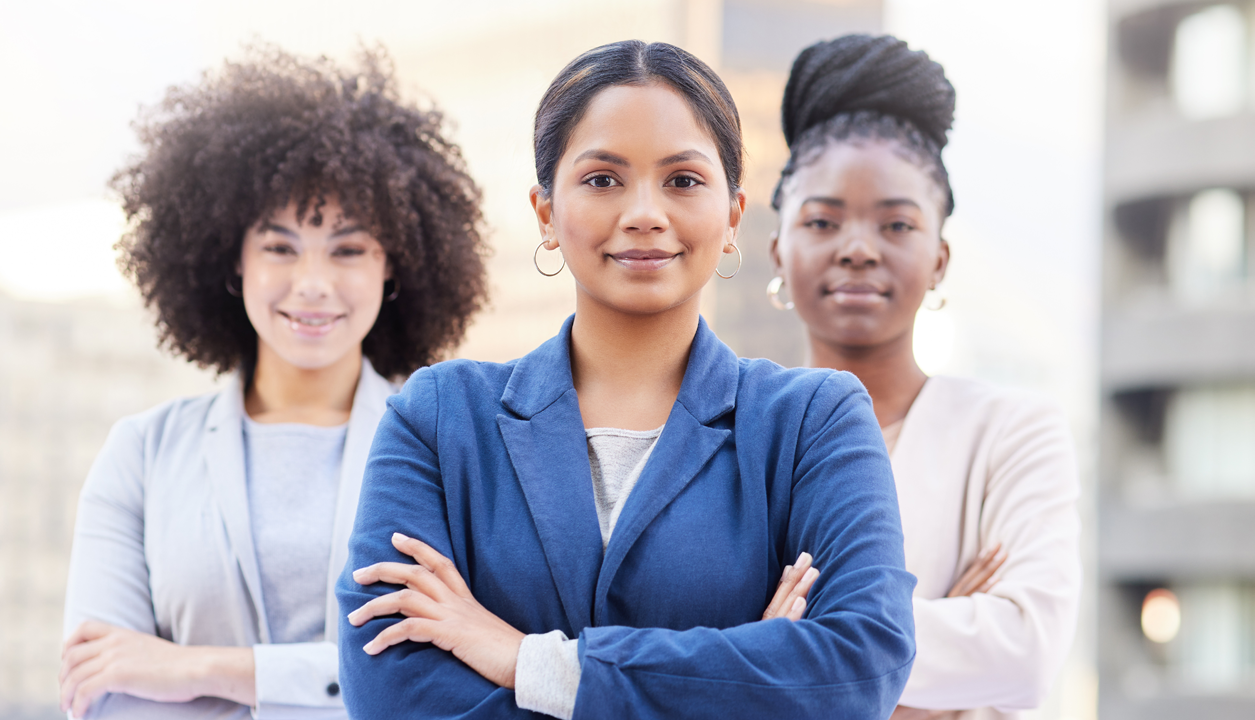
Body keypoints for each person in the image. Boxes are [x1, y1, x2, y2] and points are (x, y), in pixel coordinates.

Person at [336, 39, 916, 720]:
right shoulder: (438, 420)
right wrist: (745, 679)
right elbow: (390, 693)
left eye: (683, 181)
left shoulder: (814, 422)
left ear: (733, 215)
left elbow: (860, 664)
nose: (644, 213)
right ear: (546, 212)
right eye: (603, 179)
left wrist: (526, 661)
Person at [59, 46, 488, 719]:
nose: (312, 283)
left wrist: (203, 669)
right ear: (233, 260)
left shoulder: (451, 451)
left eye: (348, 249)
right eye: (279, 247)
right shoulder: (141, 455)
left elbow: (453, 682)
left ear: (394, 266)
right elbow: (101, 687)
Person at [767, 35, 1082, 720]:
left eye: (897, 224)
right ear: (778, 250)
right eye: (822, 220)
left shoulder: (1010, 434)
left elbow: (1025, 654)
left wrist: (786, 646)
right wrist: (937, 653)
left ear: (939, 258)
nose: (858, 248)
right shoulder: (733, 433)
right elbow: (690, 660)